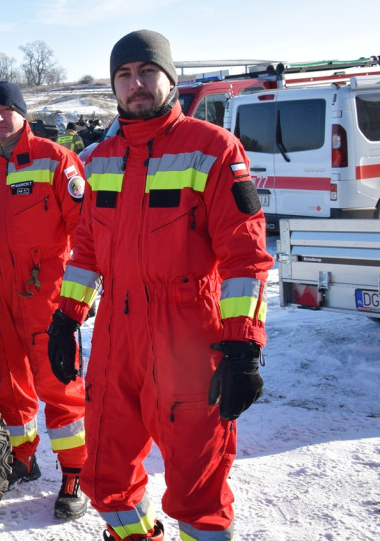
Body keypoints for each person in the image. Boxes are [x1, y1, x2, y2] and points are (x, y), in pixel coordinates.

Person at [47, 30, 272, 541]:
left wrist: (242, 346)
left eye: (147, 71)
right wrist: (67, 318)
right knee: (105, 478)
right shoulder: (100, 157)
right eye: (124, 76)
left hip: (188, 338)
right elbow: (85, 251)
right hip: (115, 341)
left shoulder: (213, 150)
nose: (136, 84)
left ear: (171, 79)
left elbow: (247, 256)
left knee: (198, 490)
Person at [0, 80, 89, 520]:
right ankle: (22, 458)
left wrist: (78, 301)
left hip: (47, 289)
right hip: (0, 291)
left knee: (59, 383)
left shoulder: (55, 160)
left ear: (22, 114)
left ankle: (73, 476)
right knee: (11, 382)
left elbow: (86, 233)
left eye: (4, 110)